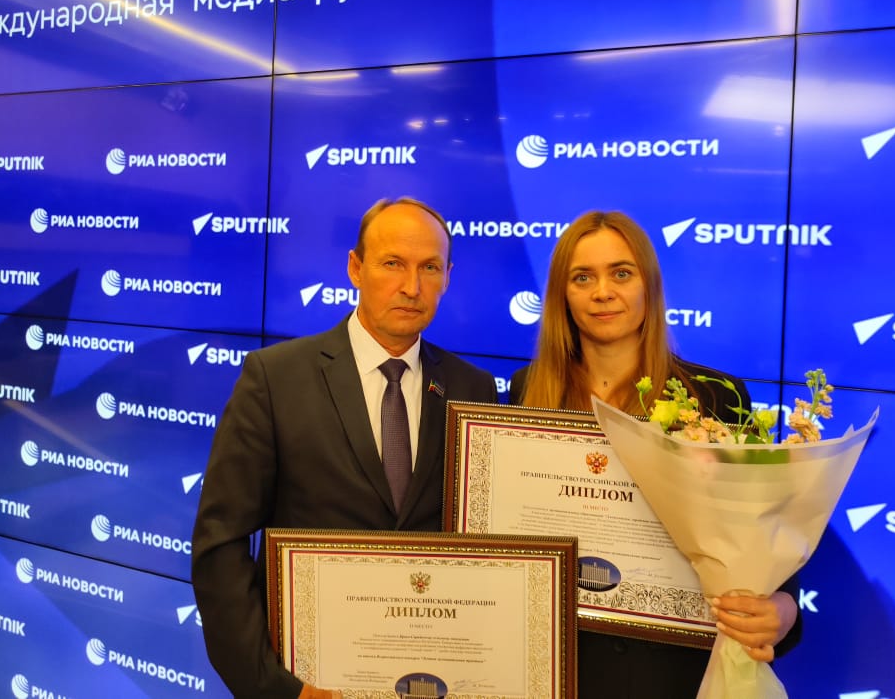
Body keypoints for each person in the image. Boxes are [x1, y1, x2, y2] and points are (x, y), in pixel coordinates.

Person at [192, 197, 498, 699]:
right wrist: (275, 688)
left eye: (429, 268)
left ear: (447, 277)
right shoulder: (275, 378)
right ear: (355, 268)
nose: (411, 286)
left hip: (436, 679)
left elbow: (485, 550)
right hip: (310, 682)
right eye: (393, 263)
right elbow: (220, 543)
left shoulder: (473, 388)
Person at [510, 209, 802, 698]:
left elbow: (764, 534)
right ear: (562, 294)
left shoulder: (716, 396)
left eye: (621, 273)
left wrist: (783, 608)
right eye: (582, 278)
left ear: (649, 286)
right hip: (558, 663)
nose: (603, 292)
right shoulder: (526, 390)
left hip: (674, 668)